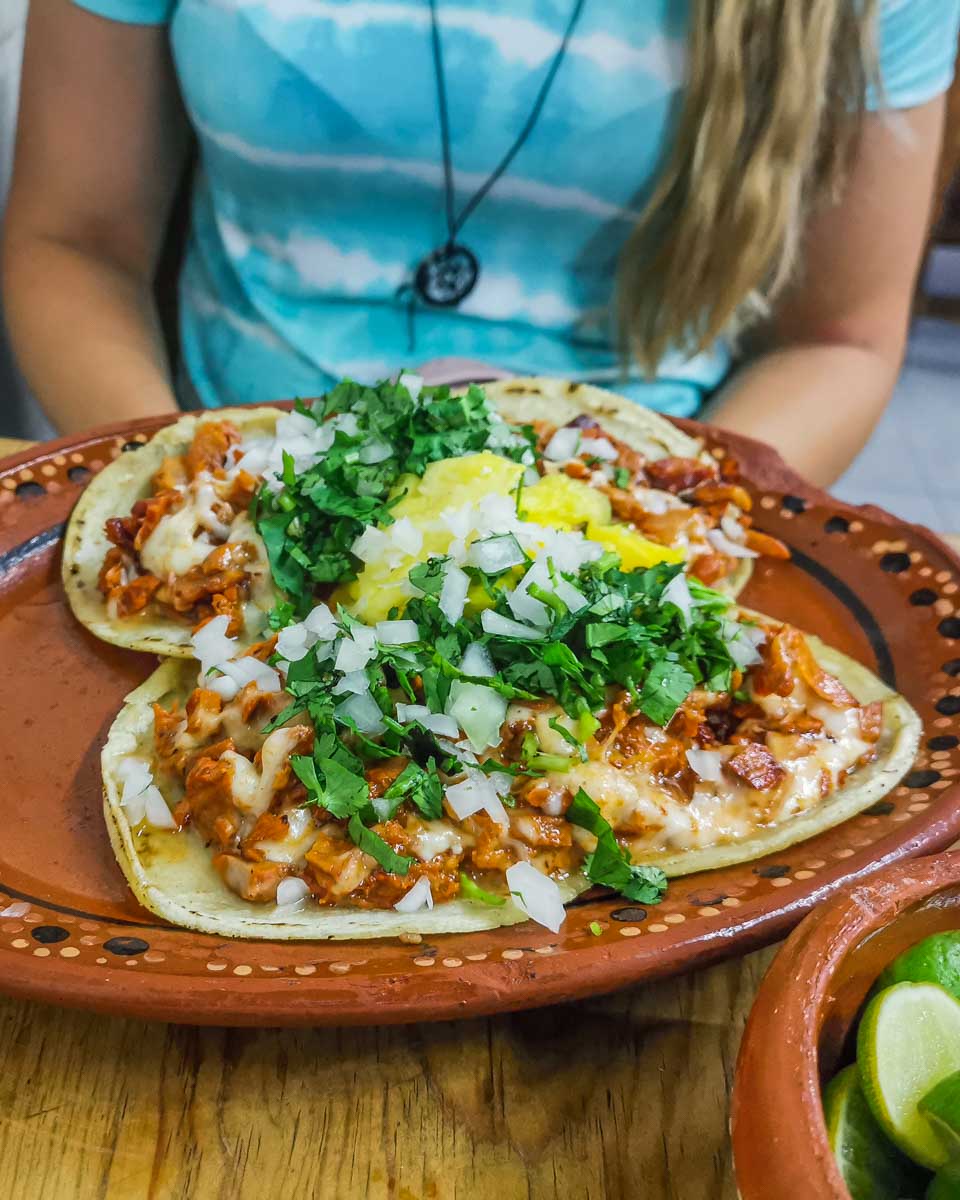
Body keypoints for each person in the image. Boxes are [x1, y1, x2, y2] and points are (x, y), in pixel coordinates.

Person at [3, 2, 959, 485]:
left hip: (646, 509)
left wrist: (658, 520)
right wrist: (177, 482)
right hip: (219, 458)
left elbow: (836, 338)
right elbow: (72, 239)